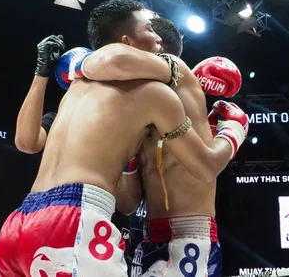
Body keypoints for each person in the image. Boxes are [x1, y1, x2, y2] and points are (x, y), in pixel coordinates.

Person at [0, 0, 248, 277]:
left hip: (20, 222)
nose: (158, 42)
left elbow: (126, 202)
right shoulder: (155, 92)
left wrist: (67, 65)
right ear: (126, 42)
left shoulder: (78, 87)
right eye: (150, 31)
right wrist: (233, 130)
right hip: (75, 220)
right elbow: (206, 165)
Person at [65, 15, 243, 277]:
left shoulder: (182, 86)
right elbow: (127, 204)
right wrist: (129, 157)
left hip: (190, 237)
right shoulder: (139, 109)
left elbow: (207, 167)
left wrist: (233, 130)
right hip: (148, 238)